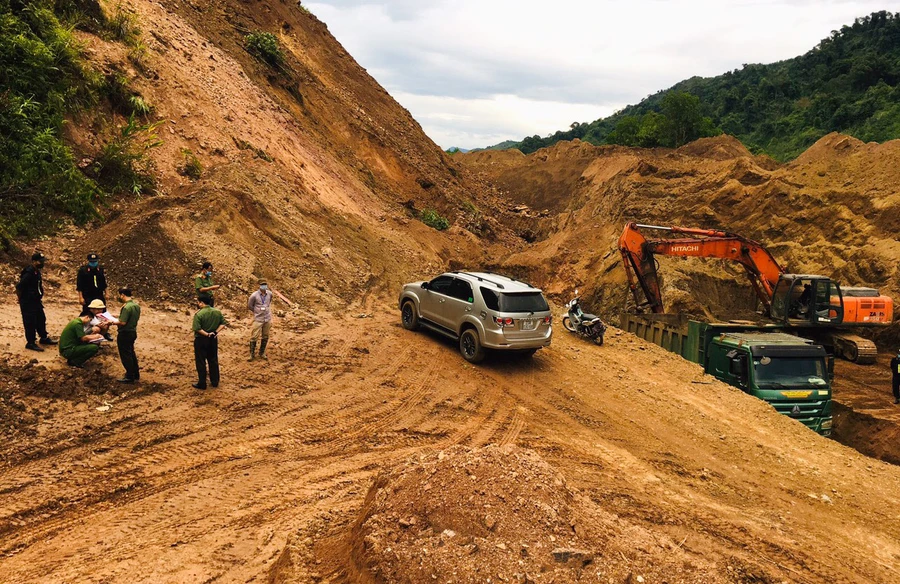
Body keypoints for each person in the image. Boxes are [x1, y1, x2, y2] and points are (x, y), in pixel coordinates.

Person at [16, 252, 57, 352]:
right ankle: (30, 342)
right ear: (34, 262)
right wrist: (20, 298)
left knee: (41, 318)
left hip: (36, 300)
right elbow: (19, 287)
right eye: (40, 261)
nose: (42, 263)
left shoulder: (36, 271)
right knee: (30, 322)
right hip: (28, 301)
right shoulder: (29, 272)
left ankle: (43, 338)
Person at [192, 293, 227, 390]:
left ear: (202, 303)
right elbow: (223, 324)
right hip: (213, 339)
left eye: (198, 302)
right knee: (213, 360)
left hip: (201, 340)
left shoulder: (199, 314)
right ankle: (215, 381)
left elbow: (197, 328)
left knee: (201, 361)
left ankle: (202, 383)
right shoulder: (217, 312)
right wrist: (215, 332)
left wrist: (207, 334)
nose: (198, 304)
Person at [77, 252, 112, 340]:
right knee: (87, 312)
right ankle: (85, 330)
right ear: (88, 261)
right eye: (92, 261)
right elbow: (79, 285)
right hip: (88, 295)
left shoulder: (100, 270)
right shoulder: (83, 271)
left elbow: (104, 282)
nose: (94, 263)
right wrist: (80, 297)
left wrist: (106, 292)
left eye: (95, 261)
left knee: (102, 313)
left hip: (99, 294)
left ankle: (104, 331)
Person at [111, 288, 141, 383]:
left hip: (125, 333)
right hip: (132, 332)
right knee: (131, 353)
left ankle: (129, 376)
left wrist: (110, 322)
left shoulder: (126, 307)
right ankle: (135, 373)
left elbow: (122, 322)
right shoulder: (136, 306)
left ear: (122, 295)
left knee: (126, 355)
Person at [247, 279, 273, 361]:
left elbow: (269, 302)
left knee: (265, 336)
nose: (264, 286)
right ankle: (252, 354)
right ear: (259, 286)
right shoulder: (254, 295)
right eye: (262, 285)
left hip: (267, 318)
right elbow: (250, 305)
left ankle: (262, 353)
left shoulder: (269, 294)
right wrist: (256, 311)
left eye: (265, 284)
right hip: (258, 318)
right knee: (254, 336)